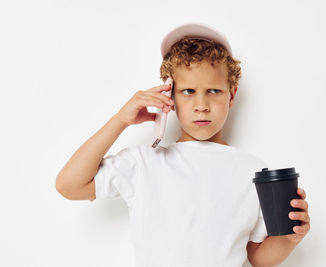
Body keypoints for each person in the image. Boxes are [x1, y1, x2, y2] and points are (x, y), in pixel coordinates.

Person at [55, 22, 310, 267]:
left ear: (231, 95)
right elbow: (69, 186)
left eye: (214, 91)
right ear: (169, 96)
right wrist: (120, 120)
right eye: (188, 91)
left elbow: (257, 257)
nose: (201, 105)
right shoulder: (144, 163)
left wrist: (289, 238)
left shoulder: (253, 171)